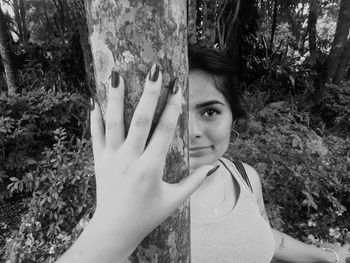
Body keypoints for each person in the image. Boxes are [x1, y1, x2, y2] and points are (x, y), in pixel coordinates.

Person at [56, 47, 350, 263]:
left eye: (210, 111)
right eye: (174, 114)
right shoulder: (135, 199)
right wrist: (112, 235)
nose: (192, 131)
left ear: (233, 118)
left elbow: (261, 235)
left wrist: (326, 256)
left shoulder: (245, 176)